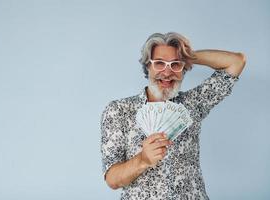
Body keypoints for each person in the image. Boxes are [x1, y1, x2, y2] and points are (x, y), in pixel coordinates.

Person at [100, 32, 246, 199]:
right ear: (148, 66)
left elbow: (236, 62)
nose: (167, 72)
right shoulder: (119, 111)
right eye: (159, 63)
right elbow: (112, 179)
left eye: (175, 65)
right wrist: (143, 159)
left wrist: (188, 56)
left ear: (184, 69)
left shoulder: (193, 103)